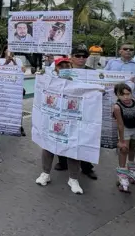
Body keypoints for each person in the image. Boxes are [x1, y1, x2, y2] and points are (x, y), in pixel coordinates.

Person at [36, 57, 85, 194]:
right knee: (48, 146)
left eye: (66, 66)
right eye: (60, 66)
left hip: (73, 120)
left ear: (71, 67)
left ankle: (73, 179)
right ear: (56, 69)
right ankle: (45, 173)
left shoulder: (78, 82)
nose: (64, 68)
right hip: (52, 119)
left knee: (73, 148)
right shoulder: (50, 82)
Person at [55, 46, 98, 179]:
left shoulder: (93, 72)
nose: (81, 58)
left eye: (84, 56)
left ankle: (86, 166)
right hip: (66, 109)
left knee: (84, 137)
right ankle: (63, 162)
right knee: (63, 135)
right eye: (78, 56)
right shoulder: (64, 71)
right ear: (72, 56)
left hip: (85, 110)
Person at [112, 83, 135, 193]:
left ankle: (132, 169)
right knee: (124, 150)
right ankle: (122, 175)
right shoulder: (117, 107)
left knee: (132, 148)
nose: (126, 97)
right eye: (122, 95)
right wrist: (121, 141)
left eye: (128, 94)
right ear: (117, 95)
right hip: (126, 129)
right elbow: (120, 125)